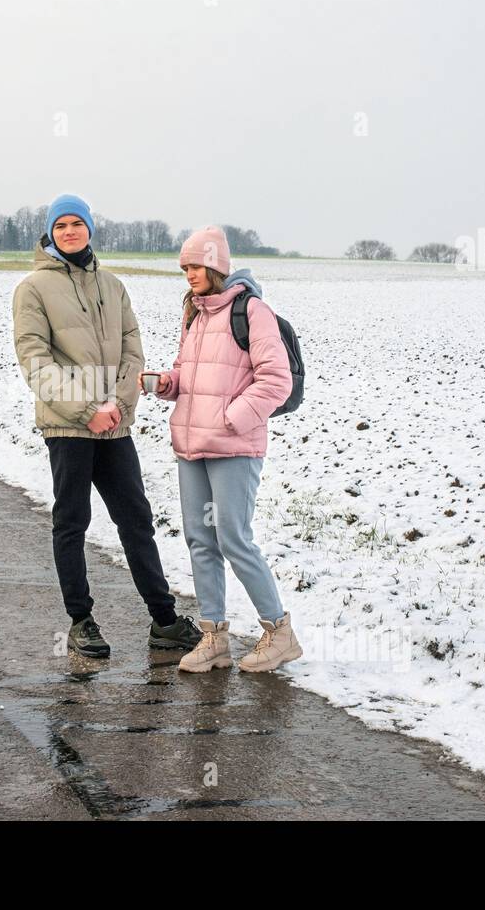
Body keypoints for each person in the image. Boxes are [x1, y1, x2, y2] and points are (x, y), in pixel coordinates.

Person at [12, 192, 202, 658]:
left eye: (77, 224)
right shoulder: (33, 289)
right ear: (51, 233)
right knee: (72, 521)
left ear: (90, 230)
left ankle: (164, 620)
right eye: (61, 226)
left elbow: (132, 349)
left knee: (136, 520)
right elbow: (35, 360)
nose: (70, 232)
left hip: (115, 425)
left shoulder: (113, 286)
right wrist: (86, 409)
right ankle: (81, 621)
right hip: (69, 426)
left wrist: (116, 403)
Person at [145, 226, 303, 673]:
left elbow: (276, 381)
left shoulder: (252, 311)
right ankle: (213, 636)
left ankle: (279, 632)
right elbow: (187, 371)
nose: (188, 274)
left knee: (234, 538)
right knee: (200, 540)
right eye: (184, 268)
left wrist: (233, 418)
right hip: (192, 445)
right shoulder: (194, 313)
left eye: (194, 266)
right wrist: (168, 384)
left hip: (234, 446)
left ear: (215, 266)